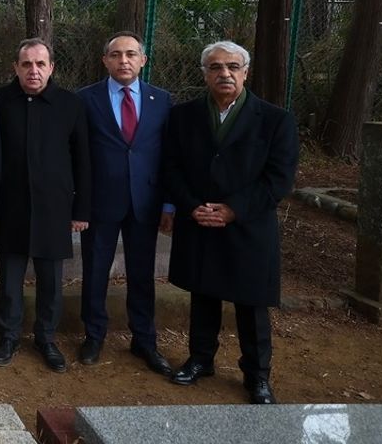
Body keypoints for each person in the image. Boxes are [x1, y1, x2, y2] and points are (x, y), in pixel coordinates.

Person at [164, 41, 299, 405]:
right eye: (216, 67)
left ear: (245, 72)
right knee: (203, 292)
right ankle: (200, 359)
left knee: (251, 303)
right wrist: (192, 206)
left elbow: (278, 179)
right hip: (199, 219)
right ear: (205, 73)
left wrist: (232, 209)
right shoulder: (183, 116)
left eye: (233, 67)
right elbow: (171, 167)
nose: (225, 73)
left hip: (248, 225)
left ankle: (257, 375)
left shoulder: (275, 120)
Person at [75, 32, 174, 376]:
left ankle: (144, 340)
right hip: (101, 202)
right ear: (105, 61)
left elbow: (169, 158)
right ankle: (94, 335)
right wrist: (80, 205)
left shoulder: (162, 100)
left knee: (142, 275)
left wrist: (170, 205)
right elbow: (79, 157)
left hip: (145, 202)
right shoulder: (86, 99)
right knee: (95, 271)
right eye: (116, 55)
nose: (124, 61)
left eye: (131, 54)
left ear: (143, 60)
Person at [0, 38, 91, 373]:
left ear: (51, 68)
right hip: (11, 206)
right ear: (16, 67)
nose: (33, 71)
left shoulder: (70, 104)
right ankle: (8, 336)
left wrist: (81, 210)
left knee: (51, 281)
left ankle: (46, 338)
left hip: (54, 209)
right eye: (26, 64)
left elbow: (83, 162)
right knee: (10, 280)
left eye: (40, 64)